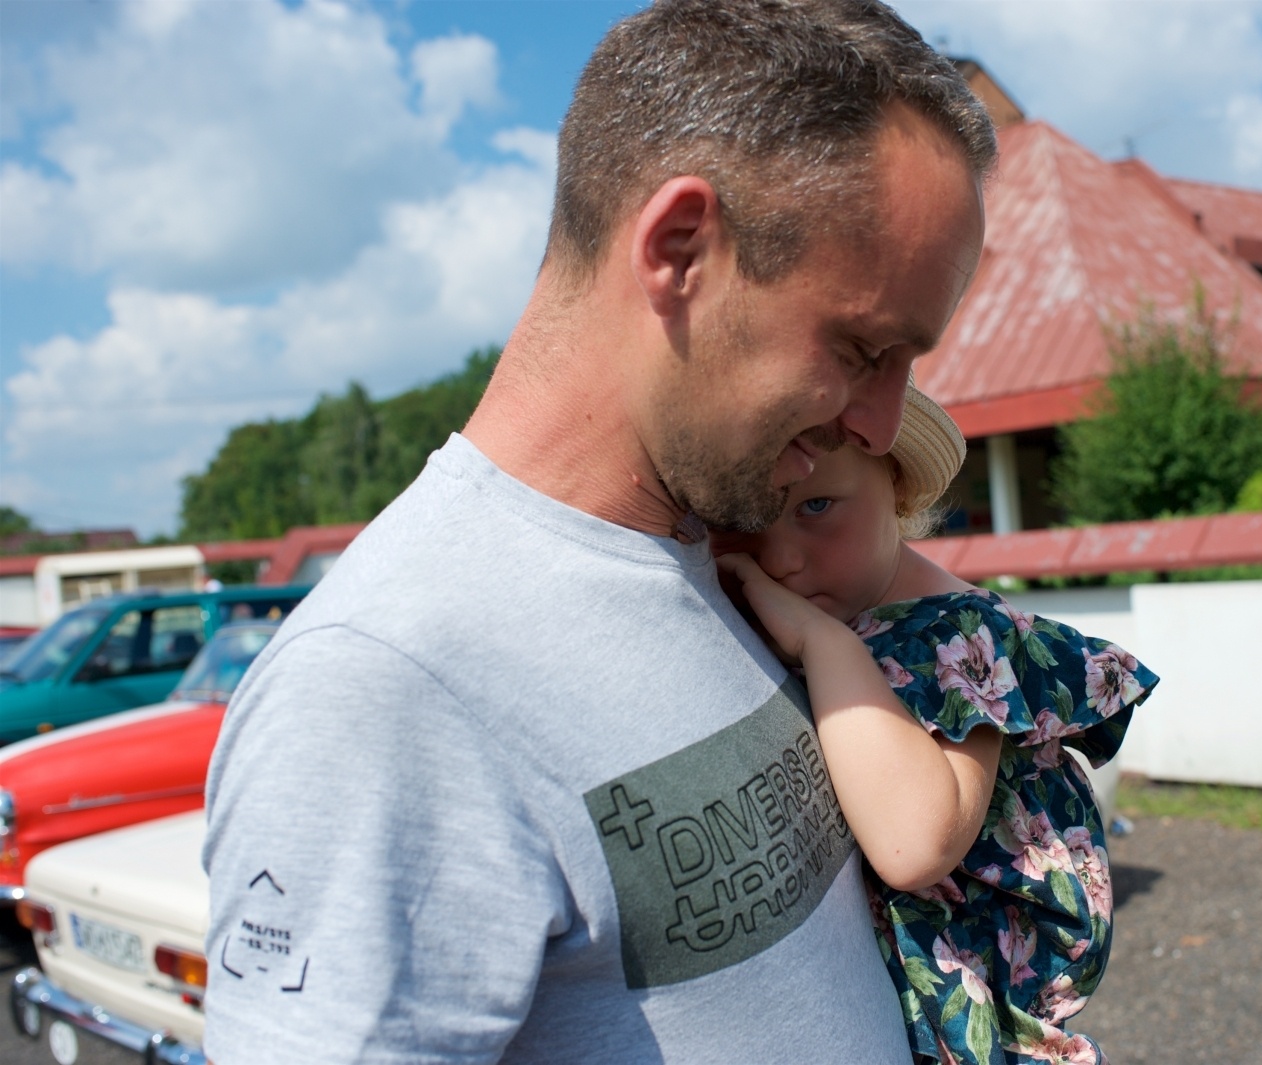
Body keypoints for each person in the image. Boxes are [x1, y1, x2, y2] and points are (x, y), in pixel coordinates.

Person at [201, 1, 994, 1062]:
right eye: (860, 348)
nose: (883, 425)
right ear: (679, 249)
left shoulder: (738, 546)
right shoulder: (383, 686)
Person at [713, 386, 1159, 1065]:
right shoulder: (842, 609)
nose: (779, 558)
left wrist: (824, 644)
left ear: (895, 484)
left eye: (816, 506)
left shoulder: (955, 637)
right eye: (745, 516)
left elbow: (918, 843)